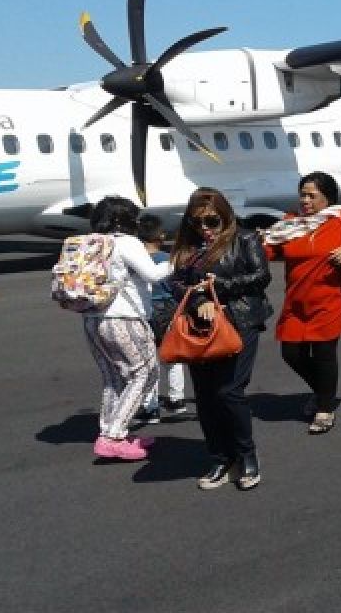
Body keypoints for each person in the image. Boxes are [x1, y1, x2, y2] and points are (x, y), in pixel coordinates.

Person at [263, 172, 341, 434]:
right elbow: (268, 249)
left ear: (327, 197)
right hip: (296, 301)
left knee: (323, 354)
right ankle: (323, 392)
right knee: (291, 353)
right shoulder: (291, 223)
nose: (305, 200)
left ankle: (325, 408)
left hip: (331, 299)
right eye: (302, 195)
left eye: (311, 196)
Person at [170, 188, 272, 490]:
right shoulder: (188, 246)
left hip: (239, 320)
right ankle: (219, 457)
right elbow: (175, 283)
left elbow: (261, 276)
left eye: (212, 221)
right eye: (197, 222)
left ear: (225, 216)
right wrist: (196, 300)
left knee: (230, 391)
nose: (205, 228)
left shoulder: (245, 239)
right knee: (205, 395)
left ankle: (246, 455)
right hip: (199, 326)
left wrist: (220, 287)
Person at [81, 196, 173, 461]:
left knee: (113, 378)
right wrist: (180, 259)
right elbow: (153, 275)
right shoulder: (126, 242)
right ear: (124, 220)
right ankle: (113, 436)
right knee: (144, 373)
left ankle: (109, 430)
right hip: (125, 319)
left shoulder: (94, 242)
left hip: (92, 318)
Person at [134, 214, 187, 425]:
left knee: (147, 359)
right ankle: (177, 399)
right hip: (168, 308)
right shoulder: (168, 258)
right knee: (171, 356)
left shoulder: (137, 261)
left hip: (145, 309)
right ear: (161, 236)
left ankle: (150, 406)